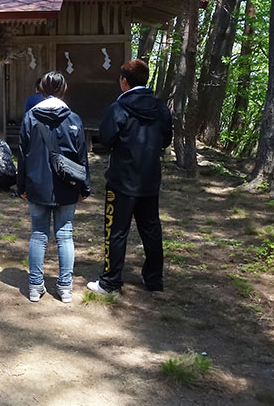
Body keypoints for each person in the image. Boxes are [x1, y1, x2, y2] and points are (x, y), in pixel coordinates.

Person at [88, 59, 173, 296]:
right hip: (149, 179)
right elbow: (167, 138)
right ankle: (154, 281)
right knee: (151, 229)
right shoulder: (160, 107)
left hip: (122, 179)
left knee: (116, 230)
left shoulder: (120, 108)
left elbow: (106, 137)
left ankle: (110, 281)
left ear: (124, 81)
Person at [18, 71, 90, 303]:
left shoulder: (30, 117)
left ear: (41, 90)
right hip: (67, 186)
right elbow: (82, 157)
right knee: (65, 235)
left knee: (38, 234)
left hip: (37, 184)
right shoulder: (74, 119)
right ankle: (65, 287)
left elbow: (22, 155)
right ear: (63, 89)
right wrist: (84, 187)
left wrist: (21, 185)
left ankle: (35, 286)